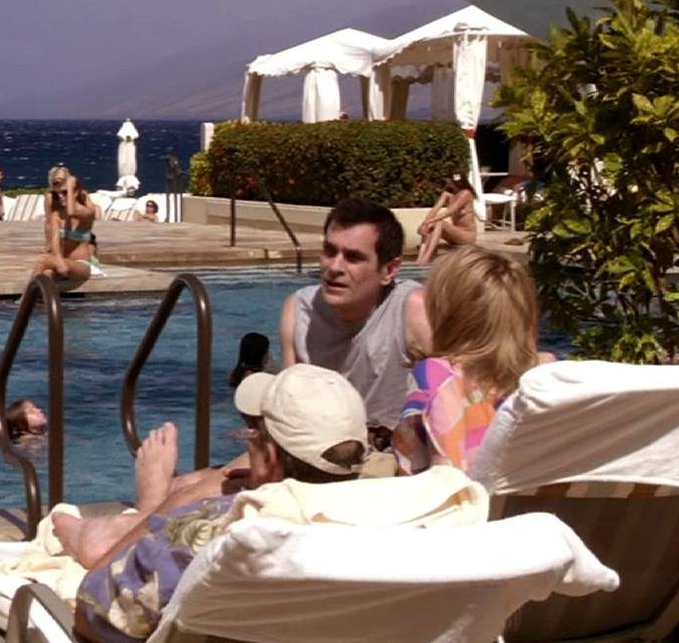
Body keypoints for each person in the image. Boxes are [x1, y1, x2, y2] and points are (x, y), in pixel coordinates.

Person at [57, 364, 368, 642]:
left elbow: (93, 613)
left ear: (270, 459)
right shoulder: (382, 528)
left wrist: (160, 510)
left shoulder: (210, 533)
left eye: (254, 431)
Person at [279, 198, 431, 447]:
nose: (334, 267)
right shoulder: (299, 310)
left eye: (353, 257)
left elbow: (455, 397)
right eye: (330, 251)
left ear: (389, 270)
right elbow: (288, 411)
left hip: (391, 455)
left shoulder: (413, 310)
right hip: (317, 450)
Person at [393, 246, 551, 475]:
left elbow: (422, 467)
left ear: (447, 315)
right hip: (531, 494)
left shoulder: (436, 376)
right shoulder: (546, 374)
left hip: (460, 495)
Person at [33, 165, 98, 283]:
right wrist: (50, 247)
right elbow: (49, 225)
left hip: (81, 261)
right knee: (47, 275)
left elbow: (74, 212)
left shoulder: (84, 201)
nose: (60, 195)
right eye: (55, 183)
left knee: (44, 261)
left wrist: (71, 190)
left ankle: (28, 294)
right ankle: (34, 293)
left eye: (64, 192)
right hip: (65, 257)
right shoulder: (53, 203)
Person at [415, 174, 477, 265]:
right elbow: (435, 209)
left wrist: (431, 221)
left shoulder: (466, 193)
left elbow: (450, 211)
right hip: (454, 234)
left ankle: (426, 257)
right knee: (429, 227)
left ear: (453, 181)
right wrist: (424, 224)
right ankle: (419, 259)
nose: (446, 182)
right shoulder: (447, 194)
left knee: (439, 222)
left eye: (448, 180)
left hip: (466, 235)